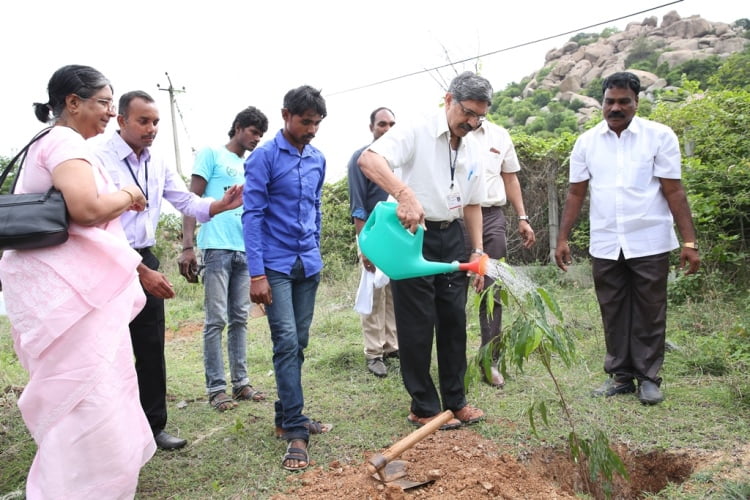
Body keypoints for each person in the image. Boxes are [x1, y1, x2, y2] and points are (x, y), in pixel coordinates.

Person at [0, 65, 154, 498]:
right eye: (104, 103)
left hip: (58, 293)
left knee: (83, 399)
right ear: (73, 102)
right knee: (90, 401)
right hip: (71, 298)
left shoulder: (43, 142)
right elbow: (86, 209)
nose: (109, 113)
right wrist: (129, 196)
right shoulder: (65, 141)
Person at [95, 90, 243, 449]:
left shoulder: (156, 161)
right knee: (104, 349)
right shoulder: (96, 157)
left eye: (156, 121)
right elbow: (92, 219)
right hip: (104, 258)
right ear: (122, 121)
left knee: (149, 347)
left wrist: (220, 205)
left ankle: (152, 428)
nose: (151, 128)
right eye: (143, 121)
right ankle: (106, 434)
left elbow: (185, 201)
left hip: (145, 257)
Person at [554, 71, 700, 405]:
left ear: (637, 102)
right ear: (602, 102)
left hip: (649, 238)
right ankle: (620, 377)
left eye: (624, 102)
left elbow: (674, 190)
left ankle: (649, 377)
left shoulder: (659, 136)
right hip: (606, 241)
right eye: (610, 101)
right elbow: (576, 193)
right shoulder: (587, 142)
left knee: (650, 308)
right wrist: (562, 239)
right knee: (613, 308)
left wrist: (689, 241)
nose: (615, 108)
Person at [358, 71, 491, 430]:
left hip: (452, 236)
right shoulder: (415, 129)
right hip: (412, 234)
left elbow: (474, 203)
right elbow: (369, 160)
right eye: (467, 112)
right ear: (448, 100)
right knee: (417, 323)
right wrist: (404, 193)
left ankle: (456, 400)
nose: (472, 122)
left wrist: (477, 249)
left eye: (480, 116)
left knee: (453, 321)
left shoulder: (475, 144)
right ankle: (423, 406)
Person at [242, 85, 332, 471]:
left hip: (307, 264)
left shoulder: (318, 159)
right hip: (275, 266)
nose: (311, 129)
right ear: (286, 115)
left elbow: (315, 207)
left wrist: (316, 247)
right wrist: (257, 273)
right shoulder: (263, 158)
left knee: (300, 342)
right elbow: (252, 216)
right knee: (286, 341)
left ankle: (284, 417)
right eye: (305, 121)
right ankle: (296, 430)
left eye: (316, 123)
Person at [178, 106, 269, 412]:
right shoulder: (211, 154)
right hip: (216, 246)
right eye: (254, 132)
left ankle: (241, 383)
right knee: (216, 319)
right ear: (239, 127)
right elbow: (192, 200)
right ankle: (217, 388)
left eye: (260, 135)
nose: (256, 139)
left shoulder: (251, 165)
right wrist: (187, 245)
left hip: (244, 249)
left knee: (241, 319)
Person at [474, 120, 536, 387]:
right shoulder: (446, 133)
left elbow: (510, 177)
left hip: (491, 217)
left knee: (492, 289)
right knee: (449, 288)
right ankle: (449, 363)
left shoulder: (499, 135)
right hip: (455, 216)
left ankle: (490, 361)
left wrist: (522, 217)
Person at [347, 106, 399, 378]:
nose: (387, 129)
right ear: (372, 128)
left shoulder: (398, 160)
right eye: (382, 124)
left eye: (392, 124)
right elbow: (358, 206)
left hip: (396, 236)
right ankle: (373, 353)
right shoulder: (361, 159)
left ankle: (391, 346)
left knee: (392, 292)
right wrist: (364, 246)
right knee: (373, 292)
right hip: (370, 233)